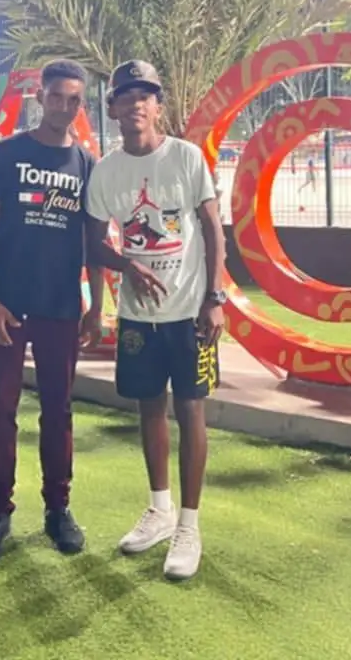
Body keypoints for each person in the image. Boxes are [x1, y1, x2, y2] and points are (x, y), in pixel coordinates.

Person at [85, 59, 226, 582]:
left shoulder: (186, 157)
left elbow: (213, 229)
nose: (136, 105)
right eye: (127, 96)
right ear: (113, 108)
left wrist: (215, 297)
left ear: (158, 106)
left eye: (145, 96)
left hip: (190, 312)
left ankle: (189, 525)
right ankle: (160, 510)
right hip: (137, 318)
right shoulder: (106, 171)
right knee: (149, 408)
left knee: (191, 410)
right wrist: (127, 267)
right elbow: (92, 241)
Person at [0, 59, 105, 562]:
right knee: (2, 409)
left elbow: (94, 241)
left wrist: (96, 305)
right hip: (9, 305)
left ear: (81, 105)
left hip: (61, 307)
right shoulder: (7, 155)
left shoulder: (87, 164)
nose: (64, 106)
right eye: (56, 96)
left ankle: (58, 509)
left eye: (73, 99)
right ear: (40, 98)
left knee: (58, 409)